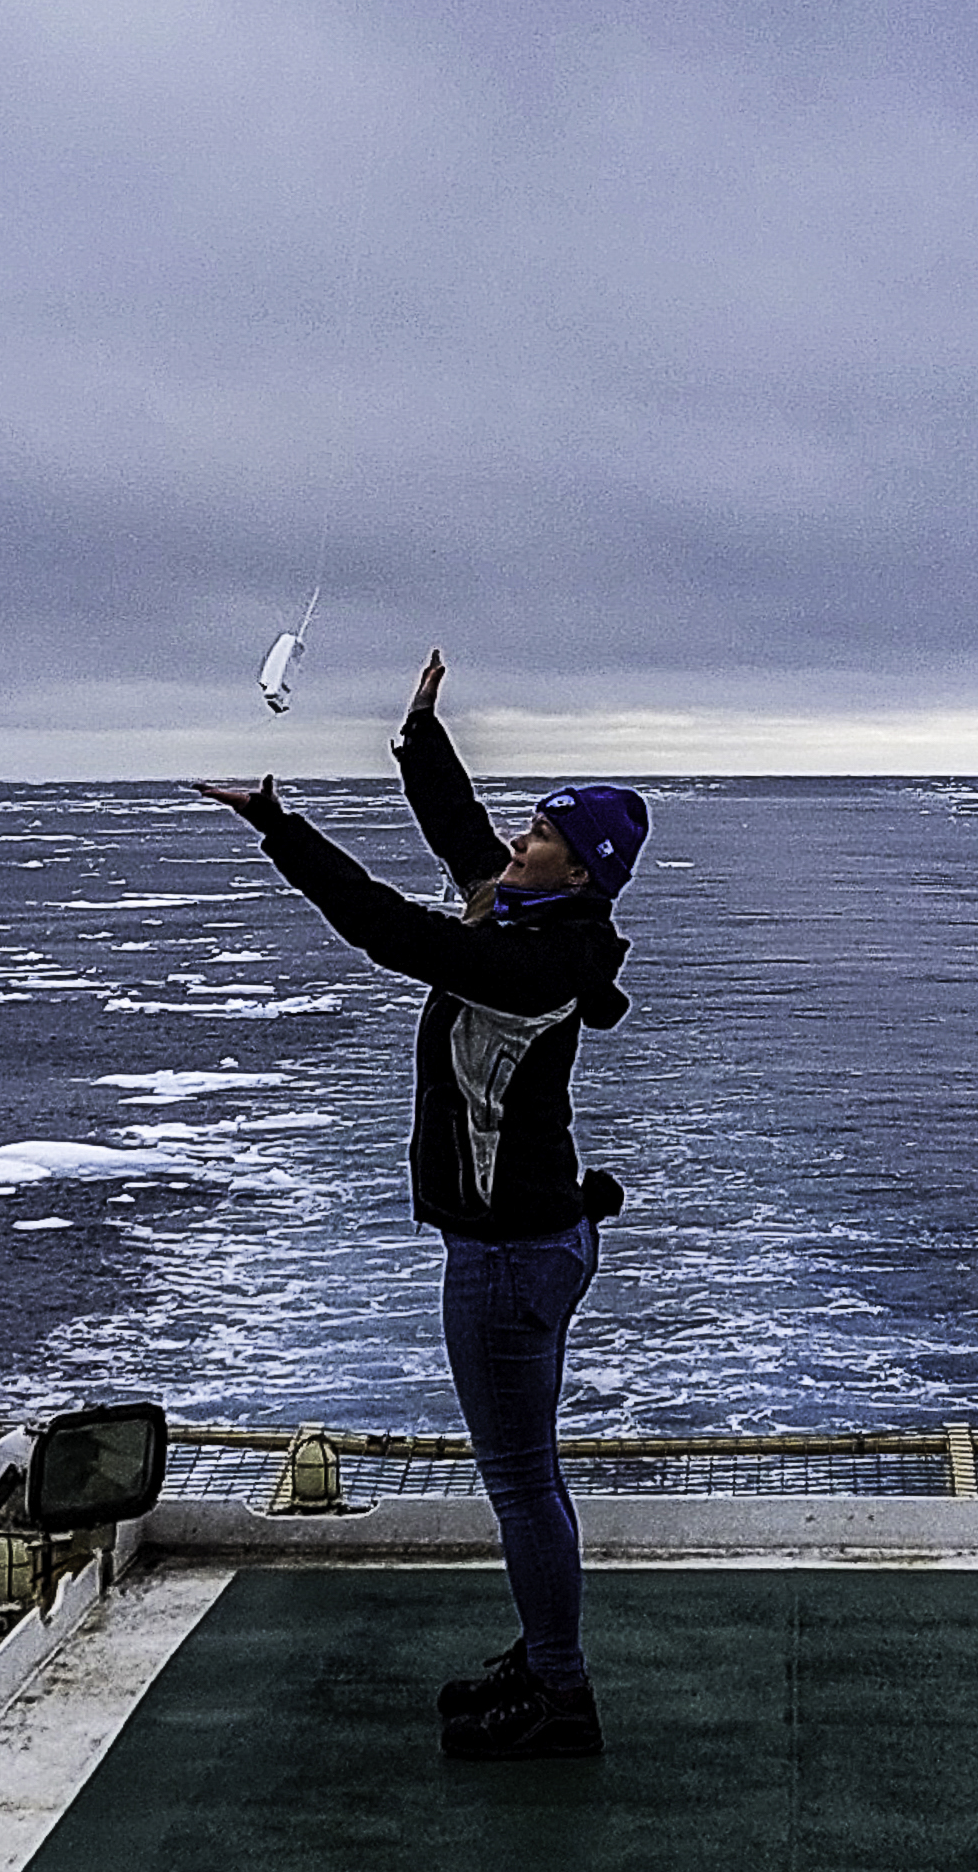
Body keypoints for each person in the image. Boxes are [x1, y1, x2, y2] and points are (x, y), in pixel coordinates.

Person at [193, 649, 645, 1762]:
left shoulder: (533, 965)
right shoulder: (526, 918)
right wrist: (417, 733)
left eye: (538, 835)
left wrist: (279, 828)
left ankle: (559, 1694)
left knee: (522, 1480)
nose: (514, 842)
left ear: (578, 872)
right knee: (524, 1472)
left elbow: (387, 929)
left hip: (507, 1253)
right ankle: (543, 1657)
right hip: (532, 1234)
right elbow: (459, 838)